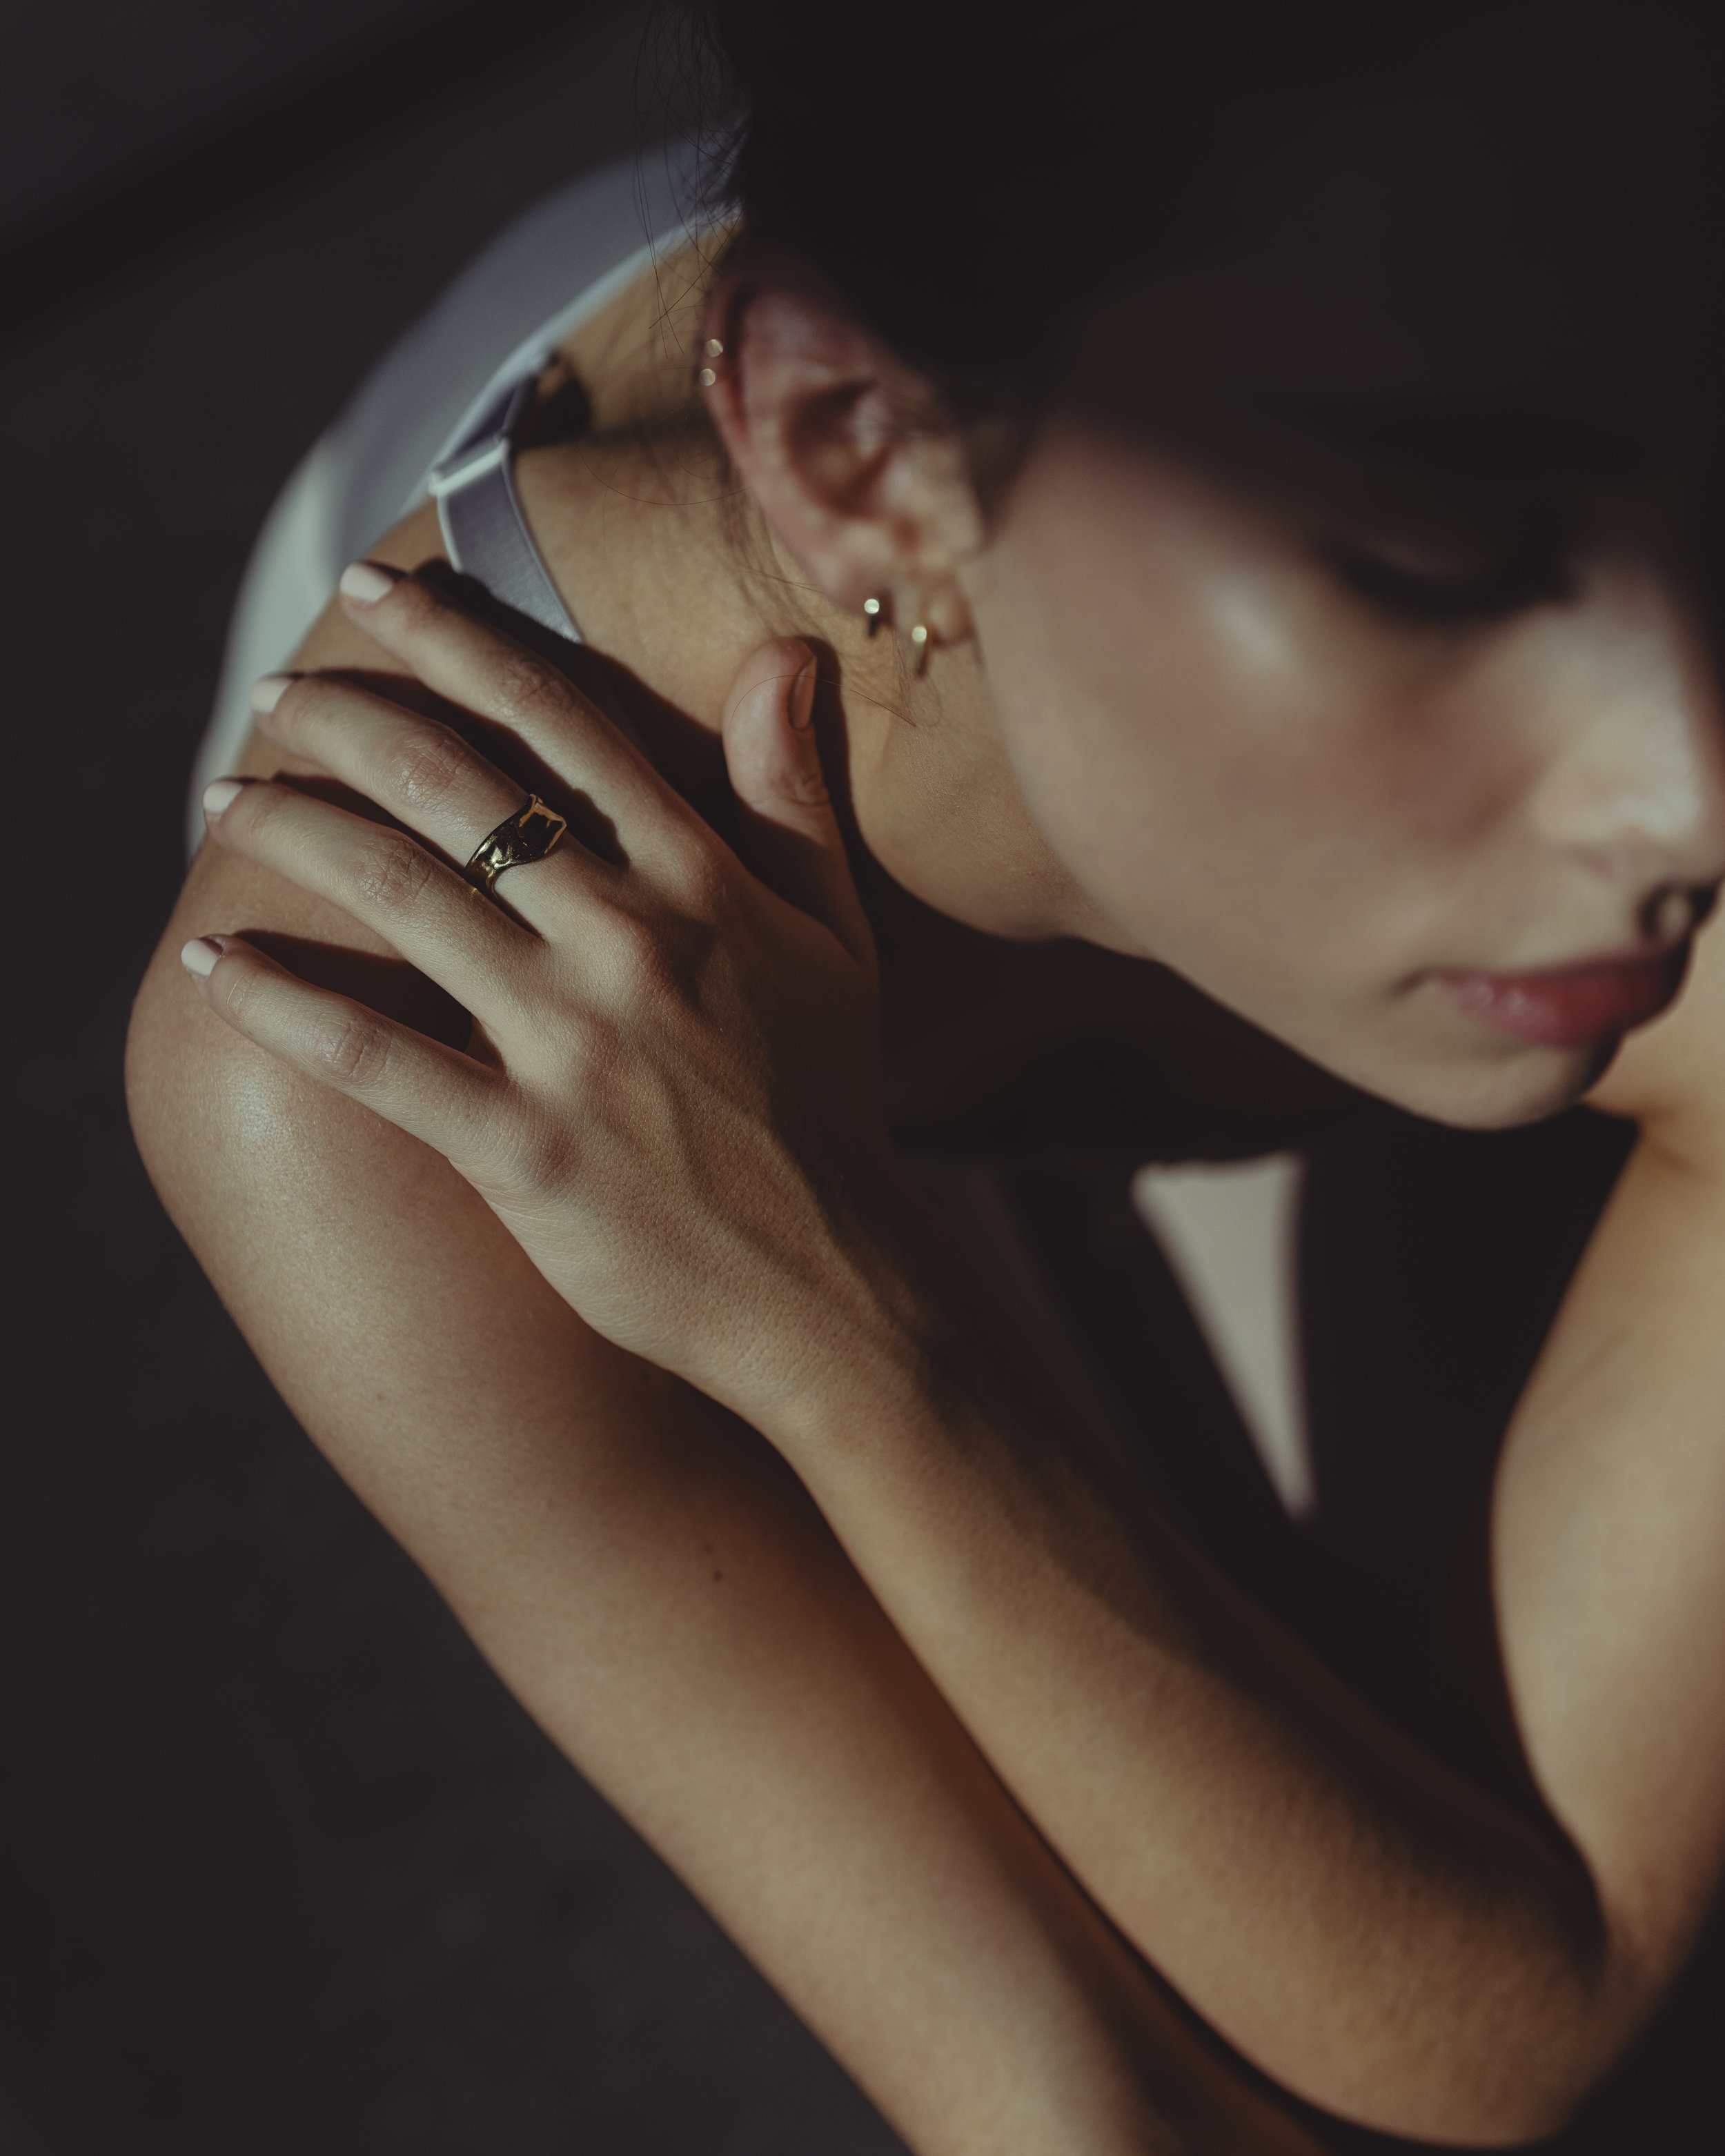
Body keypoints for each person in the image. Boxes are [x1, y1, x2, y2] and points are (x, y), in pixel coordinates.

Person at [125, 1, 1725, 2146]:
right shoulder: (363, 1047)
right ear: (852, 449)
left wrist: (847, 1318)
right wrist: (821, 1317)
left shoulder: (1576, 574)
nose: (1689, 795)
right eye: (1437, 565)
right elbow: (1068, 2100)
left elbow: (1525, 1983)